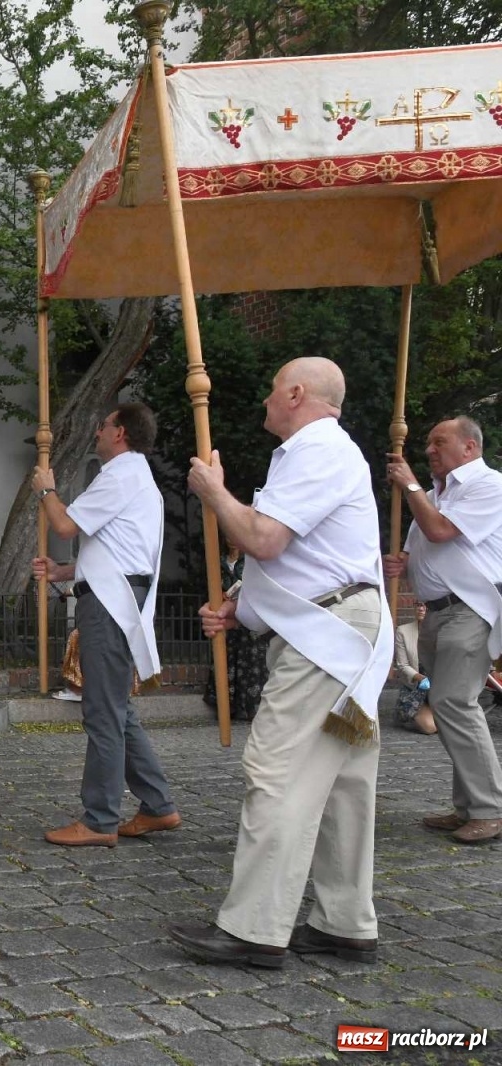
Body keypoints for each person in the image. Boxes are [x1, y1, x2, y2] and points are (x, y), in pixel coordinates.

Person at [172, 357, 391, 969]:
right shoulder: (316, 453)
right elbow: (303, 560)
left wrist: (215, 494)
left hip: (327, 644)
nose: (265, 401)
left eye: (272, 391)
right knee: (344, 781)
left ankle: (254, 929)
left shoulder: (319, 448)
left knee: (278, 773)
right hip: (342, 639)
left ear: (297, 393)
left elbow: (265, 539)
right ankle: (346, 922)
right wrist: (242, 608)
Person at [30, 403, 178, 848]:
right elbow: (115, 550)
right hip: (116, 595)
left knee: (103, 712)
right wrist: (63, 573)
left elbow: (64, 523)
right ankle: (156, 805)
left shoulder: (120, 474)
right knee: (118, 710)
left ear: (121, 434)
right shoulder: (137, 478)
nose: (99, 430)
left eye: (105, 424)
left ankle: (99, 818)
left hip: (110, 607)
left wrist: (45, 490)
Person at [383, 417, 502, 843]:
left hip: (469, 611)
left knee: (455, 702)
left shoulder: (489, 485)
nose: (430, 449)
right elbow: (424, 550)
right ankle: (469, 805)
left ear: (470, 447)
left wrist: (410, 485)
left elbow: (440, 530)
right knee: (451, 707)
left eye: (440, 442)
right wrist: (403, 562)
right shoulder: (435, 496)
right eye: (428, 442)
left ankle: (490, 809)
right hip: (436, 612)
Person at [202, 543, 268, 722]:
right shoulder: (220, 561)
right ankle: (227, 705)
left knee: (251, 660)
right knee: (227, 657)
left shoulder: (249, 561)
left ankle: (252, 705)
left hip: (248, 611)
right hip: (228, 610)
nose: (231, 540)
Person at [392, 604, 438, 735]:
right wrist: (421, 678)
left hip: (440, 689)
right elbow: (402, 665)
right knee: (430, 728)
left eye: (426, 605)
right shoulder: (403, 631)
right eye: (418, 605)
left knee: (453, 726)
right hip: (416, 690)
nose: (421, 608)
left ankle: (434, 713)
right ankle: (407, 715)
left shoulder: (443, 631)